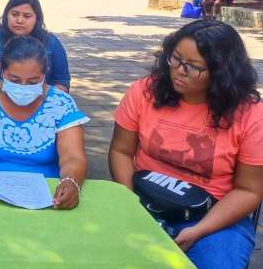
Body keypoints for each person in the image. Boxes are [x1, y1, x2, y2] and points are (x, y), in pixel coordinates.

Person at [109, 20, 263, 268]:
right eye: (176, 58)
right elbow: (121, 150)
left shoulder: (251, 115)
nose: (179, 70)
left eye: (193, 67)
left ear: (221, 72)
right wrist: (130, 207)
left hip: (215, 215)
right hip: (141, 198)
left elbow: (249, 190)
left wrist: (199, 230)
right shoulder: (145, 91)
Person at [0, 36, 88, 209]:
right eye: (15, 80)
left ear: (45, 73)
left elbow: (73, 156)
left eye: (33, 82)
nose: (23, 87)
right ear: (1, 68)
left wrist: (71, 181)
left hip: (48, 197)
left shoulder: (61, 104)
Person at [0, 0, 70, 91]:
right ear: (6, 15)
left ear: (37, 19)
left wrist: (42, 96)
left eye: (27, 16)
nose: (19, 20)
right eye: (14, 14)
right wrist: (2, 96)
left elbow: (62, 82)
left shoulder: (51, 42)